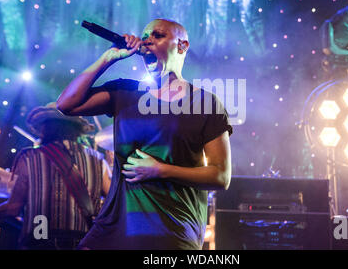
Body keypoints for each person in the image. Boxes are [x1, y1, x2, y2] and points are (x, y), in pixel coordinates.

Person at [56, 18, 232, 250]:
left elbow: (221, 176)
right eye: (145, 36)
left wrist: (161, 170)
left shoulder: (205, 103)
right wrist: (108, 58)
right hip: (115, 225)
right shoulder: (125, 92)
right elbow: (66, 104)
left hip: (172, 228)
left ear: (182, 46)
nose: (147, 41)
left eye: (158, 35)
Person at [0, 102, 112, 250]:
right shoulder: (98, 159)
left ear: (46, 128)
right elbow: (114, 204)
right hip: (84, 242)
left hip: (40, 239)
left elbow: (13, 208)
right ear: (77, 129)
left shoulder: (29, 157)